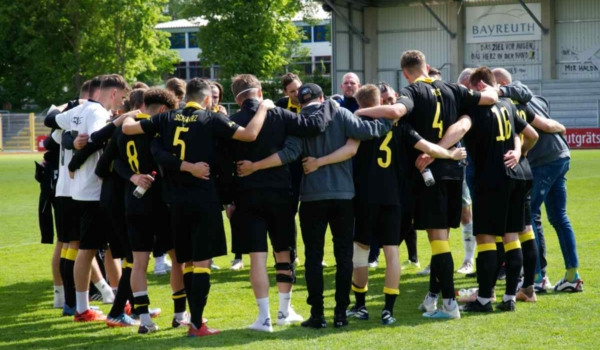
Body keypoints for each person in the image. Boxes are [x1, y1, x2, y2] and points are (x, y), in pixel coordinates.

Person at [122, 78, 272, 337]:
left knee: (188, 263)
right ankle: (197, 324)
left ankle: (191, 319)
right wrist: (264, 108)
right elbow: (250, 134)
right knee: (201, 264)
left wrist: (131, 113)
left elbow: (127, 129)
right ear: (207, 99)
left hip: (175, 203)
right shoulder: (211, 119)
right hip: (204, 199)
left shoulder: (166, 118)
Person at [356, 50, 498, 319]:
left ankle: (449, 305)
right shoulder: (454, 89)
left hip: (428, 174)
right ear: (427, 66)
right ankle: (432, 297)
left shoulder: (412, 92)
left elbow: (397, 110)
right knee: (441, 239)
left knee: (437, 242)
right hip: (455, 169)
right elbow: (490, 98)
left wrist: (360, 110)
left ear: (405, 73)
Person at [346, 84, 467, 325]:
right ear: (381, 102)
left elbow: (347, 151)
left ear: (361, 106)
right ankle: (388, 310)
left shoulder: (356, 125)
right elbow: (429, 147)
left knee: (360, 250)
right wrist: (451, 155)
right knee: (392, 252)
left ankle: (360, 306)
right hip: (394, 198)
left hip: (364, 197)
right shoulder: (403, 127)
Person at [225, 74, 326, 332]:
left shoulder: (231, 121)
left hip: (247, 195)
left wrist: (227, 199)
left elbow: (223, 165)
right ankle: (284, 310)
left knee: (257, 258)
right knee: (284, 253)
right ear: (259, 91)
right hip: (282, 193)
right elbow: (312, 126)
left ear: (237, 98)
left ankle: (264, 318)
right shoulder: (279, 114)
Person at [291, 83, 392, 329]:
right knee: (343, 256)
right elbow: (368, 131)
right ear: (322, 97)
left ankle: (317, 314)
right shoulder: (341, 112)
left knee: (313, 258)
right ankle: (340, 313)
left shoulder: (296, 121)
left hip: (311, 196)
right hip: (343, 195)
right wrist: (389, 119)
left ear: (300, 102)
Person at [440, 67, 538, 312]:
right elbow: (530, 134)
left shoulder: (476, 107)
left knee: (485, 239)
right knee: (511, 237)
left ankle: (484, 300)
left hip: (490, 179)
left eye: (472, 90)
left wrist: (435, 149)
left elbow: (461, 129)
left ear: (480, 86)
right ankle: (509, 299)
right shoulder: (508, 104)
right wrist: (520, 152)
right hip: (515, 176)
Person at [491, 69, 581, 293]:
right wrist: (557, 126)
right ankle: (572, 275)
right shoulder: (532, 98)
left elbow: (540, 123)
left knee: (529, 216)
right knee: (559, 217)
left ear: (502, 84)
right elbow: (546, 117)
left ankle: (538, 276)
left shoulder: (514, 100)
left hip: (544, 161)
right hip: (560, 157)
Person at [67, 74, 130, 322]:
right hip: (92, 191)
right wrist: (117, 123)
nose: (121, 103)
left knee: (105, 250)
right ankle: (82, 309)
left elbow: (56, 122)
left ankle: (119, 303)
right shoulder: (98, 112)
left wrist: (72, 146)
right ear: (113, 93)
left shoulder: (82, 109)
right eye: (122, 97)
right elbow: (95, 140)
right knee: (87, 250)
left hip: (88, 190)